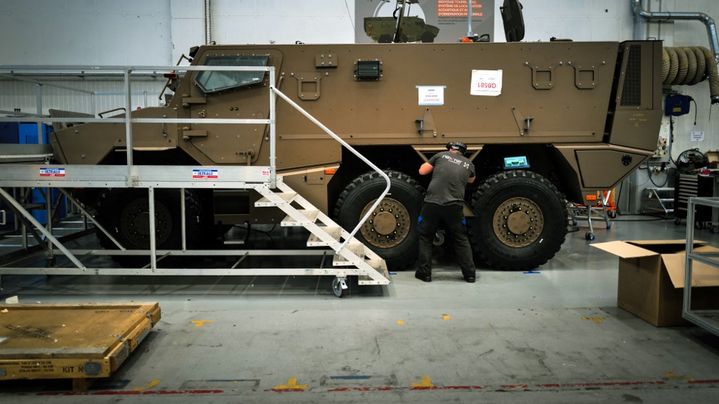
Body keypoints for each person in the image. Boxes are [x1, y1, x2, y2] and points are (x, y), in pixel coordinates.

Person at [415, 141, 477, 283]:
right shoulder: (469, 164)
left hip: (432, 203)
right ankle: (470, 274)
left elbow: (422, 171)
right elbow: (471, 180)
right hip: (454, 206)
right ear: (463, 151)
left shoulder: (440, 156)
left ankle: (425, 274)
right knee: (461, 239)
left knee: (426, 236)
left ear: (450, 149)